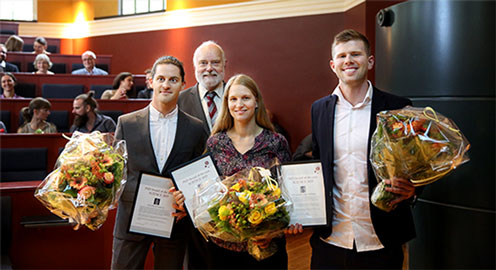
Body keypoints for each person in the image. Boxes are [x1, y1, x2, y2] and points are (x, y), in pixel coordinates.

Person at [309, 29, 416, 269]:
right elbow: (318, 164)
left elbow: (415, 163)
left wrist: (413, 190)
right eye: (342, 55)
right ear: (332, 64)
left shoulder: (398, 107)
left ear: (370, 61)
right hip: (331, 239)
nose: (348, 60)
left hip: (381, 239)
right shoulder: (319, 110)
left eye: (355, 54)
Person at [111, 55, 207, 269]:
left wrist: (188, 204)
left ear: (183, 84)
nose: (166, 85)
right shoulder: (126, 123)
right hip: (130, 220)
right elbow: (117, 172)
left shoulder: (195, 127)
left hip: (174, 221)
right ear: (151, 81)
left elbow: (198, 175)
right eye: (161, 78)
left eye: (173, 80)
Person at [205, 74, 291, 269]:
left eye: (245, 98)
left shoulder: (276, 142)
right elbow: (208, 192)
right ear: (227, 104)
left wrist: (269, 234)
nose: (239, 104)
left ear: (257, 102)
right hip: (223, 248)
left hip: (267, 247)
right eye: (233, 99)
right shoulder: (215, 143)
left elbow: (287, 193)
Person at [178, 40, 226, 134]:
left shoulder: (236, 96)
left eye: (215, 62)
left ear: (224, 65)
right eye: (203, 63)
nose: (209, 68)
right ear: (195, 66)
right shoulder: (180, 100)